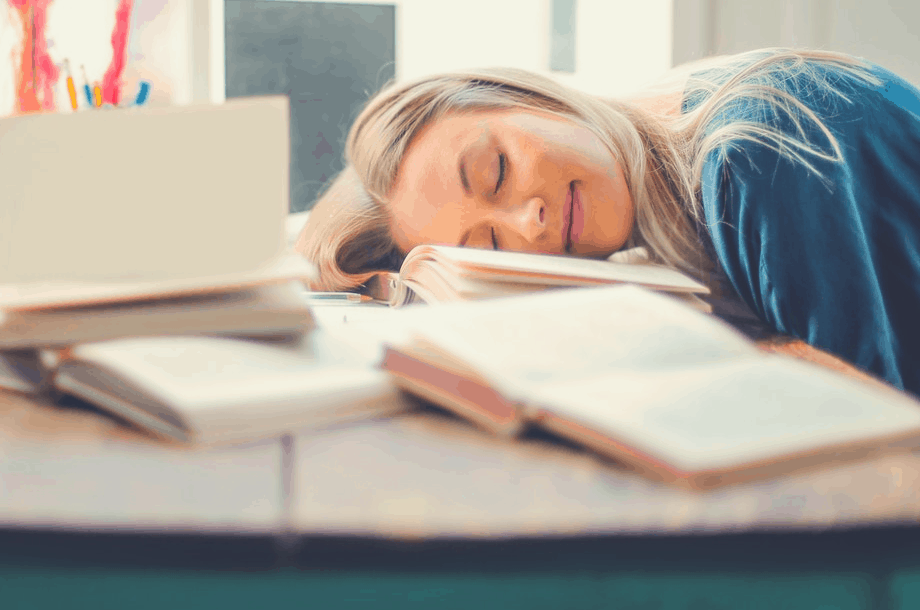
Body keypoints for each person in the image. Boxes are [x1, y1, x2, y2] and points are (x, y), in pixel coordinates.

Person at [297, 49, 920, 392]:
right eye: (489, 246)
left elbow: (875, 452)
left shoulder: (755, 155)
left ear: (527, 97)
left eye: (496, 171)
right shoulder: (670, 156)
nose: (528, 222)